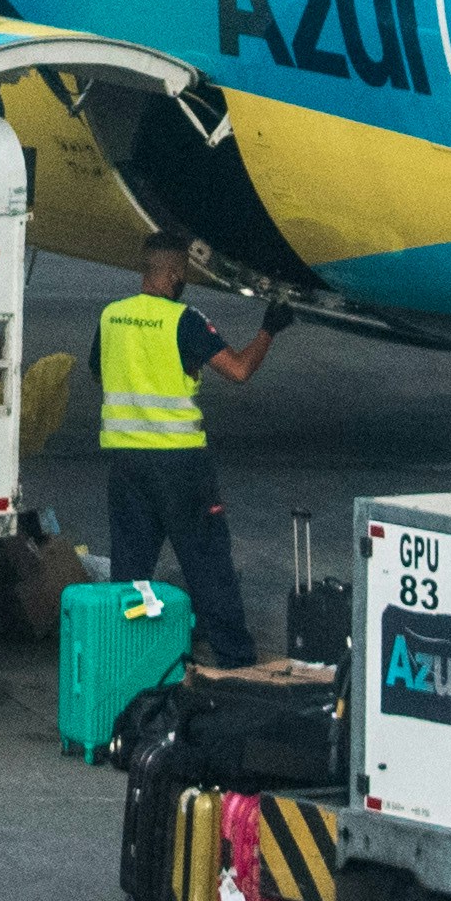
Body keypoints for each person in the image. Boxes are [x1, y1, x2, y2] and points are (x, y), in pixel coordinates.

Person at [95, 240, 287, 663]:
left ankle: (129, 658)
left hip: (126, 464)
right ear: (173, 275)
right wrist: (269, 329)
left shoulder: (111, 317)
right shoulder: (185, 321)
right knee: (207, 565)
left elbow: (101, 371)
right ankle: (234, 659)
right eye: (182, 273)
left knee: (131, 572)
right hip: (180, 465)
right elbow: (239, 370)